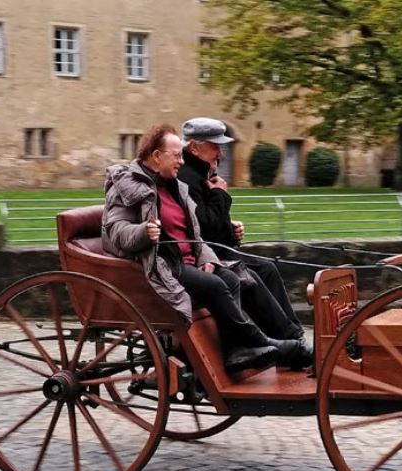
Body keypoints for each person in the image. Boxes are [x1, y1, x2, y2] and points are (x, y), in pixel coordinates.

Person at [101, 124, 305, 373]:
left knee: (230, 277)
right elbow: (115, 229)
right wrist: (143, 231)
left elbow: (195, 233)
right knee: (217, 285)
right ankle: (258, 342)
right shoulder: (127, 184)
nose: (181, 160)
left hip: (187, 258)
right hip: (162, 262)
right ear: (156, 156)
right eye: (176, 155)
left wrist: (206, 257)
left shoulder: (174, 185)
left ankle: (237, 351)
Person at [178, 117, 312, 368]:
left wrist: (231, 231)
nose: (221, 152)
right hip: (203, 256)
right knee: (251, 275)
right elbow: (204, 228)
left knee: (268, 268)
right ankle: (290, 342)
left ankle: (293, 336)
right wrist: (221, 195)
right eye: (215, 146)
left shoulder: (202, 173)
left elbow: (213, 227)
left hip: (212, 250)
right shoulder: (187, 178)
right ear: (194, 147)